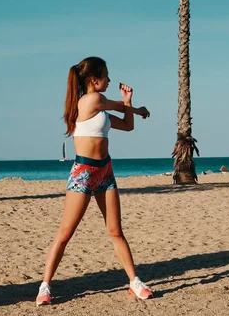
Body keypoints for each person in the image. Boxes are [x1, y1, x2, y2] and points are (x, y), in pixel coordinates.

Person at [36, 56, 153, 306]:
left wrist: (131, 104)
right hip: (84, 172)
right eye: (106, 75)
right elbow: (122, 109)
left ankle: (134, 282)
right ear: (93, 80)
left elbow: (128, 126)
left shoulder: (101, 112)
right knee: (66, 233)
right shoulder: (92, 100)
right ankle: (45, 286)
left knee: (115, 230)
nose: (110, 80)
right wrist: (135, 107)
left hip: (105, 171)